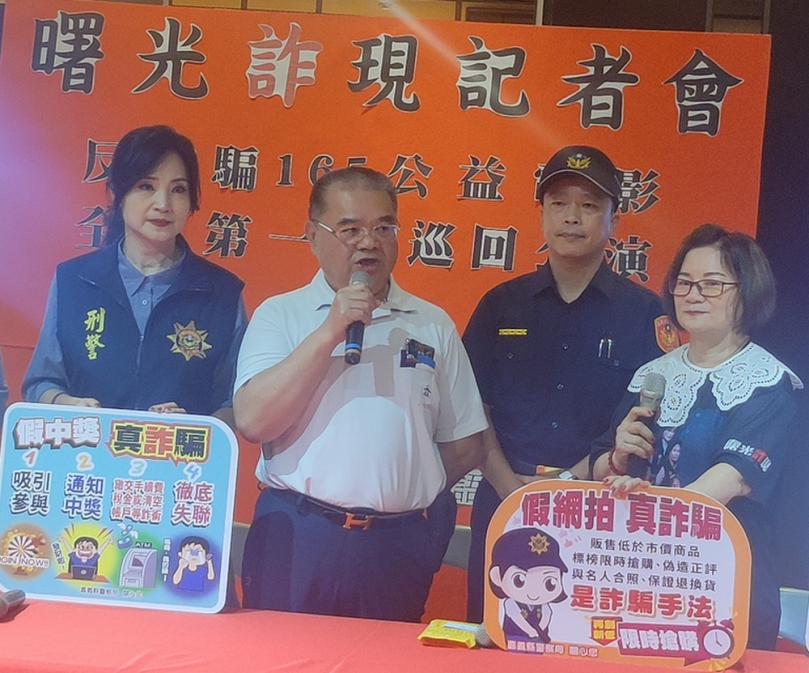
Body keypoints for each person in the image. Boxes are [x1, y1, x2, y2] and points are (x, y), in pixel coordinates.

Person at [234, 166, 487, 622]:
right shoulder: (281, 314)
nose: (368, 243)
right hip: (299, 534)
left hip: (396, 545)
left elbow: (466, 442)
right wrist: (330, 330)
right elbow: (253, 421)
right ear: (313, 236)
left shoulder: (432, 324)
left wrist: (405, 487)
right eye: (350, 230)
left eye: (383, 228)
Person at [463, 145, 668, 622]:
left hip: (601, 508)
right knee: (495, 633)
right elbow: (471, 411)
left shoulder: (644, 314)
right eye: (558, 203)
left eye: (589, 205)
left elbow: (645, 421)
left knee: (586, 637)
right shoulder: (500, 305)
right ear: (542, 214)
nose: (571, 217)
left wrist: (568, 485)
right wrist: (512, 491)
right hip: (503, 498)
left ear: (614, 220)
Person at [591, 223, 803, 650]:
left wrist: (646, 503)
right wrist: (617, 458)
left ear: (748, 292)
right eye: (684, 283)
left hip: (724, 586)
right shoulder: (653, 375)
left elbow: (728, 481)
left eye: (712, 284)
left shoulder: (767, 383)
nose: (692, 295)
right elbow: (599, 468)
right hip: (636, 577)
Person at [22, 125, 245, 422]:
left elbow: (235, 401)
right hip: (89, 450)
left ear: (192, 202)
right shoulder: (75, 280)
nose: (163, 205)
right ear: (118, 193)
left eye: (178, 189)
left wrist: (195, 425)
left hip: (177, 452)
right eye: (146, 186)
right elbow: (41, 383)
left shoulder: (221, 292)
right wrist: (68, 403)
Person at [488, 528, 569, 643]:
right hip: (515, 638)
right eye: (519, 580)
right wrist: (531, 631)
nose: (534, 593)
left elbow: (547, 615)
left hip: (540, 640)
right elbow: (517, 618)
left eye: (550, 583)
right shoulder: (510, 603)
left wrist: (540, 629)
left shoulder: (543, 605)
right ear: (497, 576)